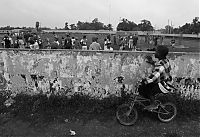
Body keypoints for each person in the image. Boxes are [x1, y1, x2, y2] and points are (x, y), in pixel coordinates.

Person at [140, 45, 172, 110]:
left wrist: (145, 81)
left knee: (149, 91)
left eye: (156, 52)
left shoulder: (160, 65)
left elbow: (153, 78)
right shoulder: (165, 60)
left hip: (163, 85)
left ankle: (154, 104)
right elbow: (160, 67)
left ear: (159, 54)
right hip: (167, 82)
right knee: (148, 87)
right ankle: (153, 102)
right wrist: (152, 62)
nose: (155, 53)